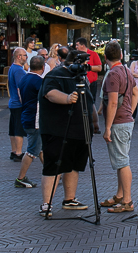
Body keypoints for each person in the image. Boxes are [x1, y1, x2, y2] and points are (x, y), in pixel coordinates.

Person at [37, 49, 99, 215]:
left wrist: (94, 121)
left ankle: (69, 199)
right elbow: (49, 93)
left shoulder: (81, 77)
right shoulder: (56, 74)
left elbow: (89, 100)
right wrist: (67, 98)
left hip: (80, 131)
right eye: (84, 64)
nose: (86, 68)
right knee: (54, 166)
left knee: (74, 165)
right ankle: (46, 204)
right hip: (58, 130)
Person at [101, 41, 138, 213]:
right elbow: (136, 92)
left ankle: (127, 201)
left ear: (105, 57)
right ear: (121, 55)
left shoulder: (113, 74)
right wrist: (130, 110)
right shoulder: (126, 70)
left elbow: (113, 102)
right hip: (127, 120)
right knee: (120, 159)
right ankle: (120, 195)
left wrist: (107, 127)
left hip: (118, 122)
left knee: (122, 161)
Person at [13, 54, 47, 188]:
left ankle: (52, 172)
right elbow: (46, 99)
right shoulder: (40, 81)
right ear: (43, 67)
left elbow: (21, 97)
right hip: (35, 120)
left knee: (41, 148)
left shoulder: (24, 79)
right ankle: (20, 178)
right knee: (32, 151)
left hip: (26, 116)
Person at [5, 47, 29, 162]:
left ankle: (14, 151)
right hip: (19, 104)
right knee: (19, 129)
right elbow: (21, 89)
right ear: (19, 57)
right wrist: (25, 103)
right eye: (24, 55)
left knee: (13, 128)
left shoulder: (12, 68)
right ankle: (18, 152)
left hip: (12, 103)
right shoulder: (19, 70)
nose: (26, 57)